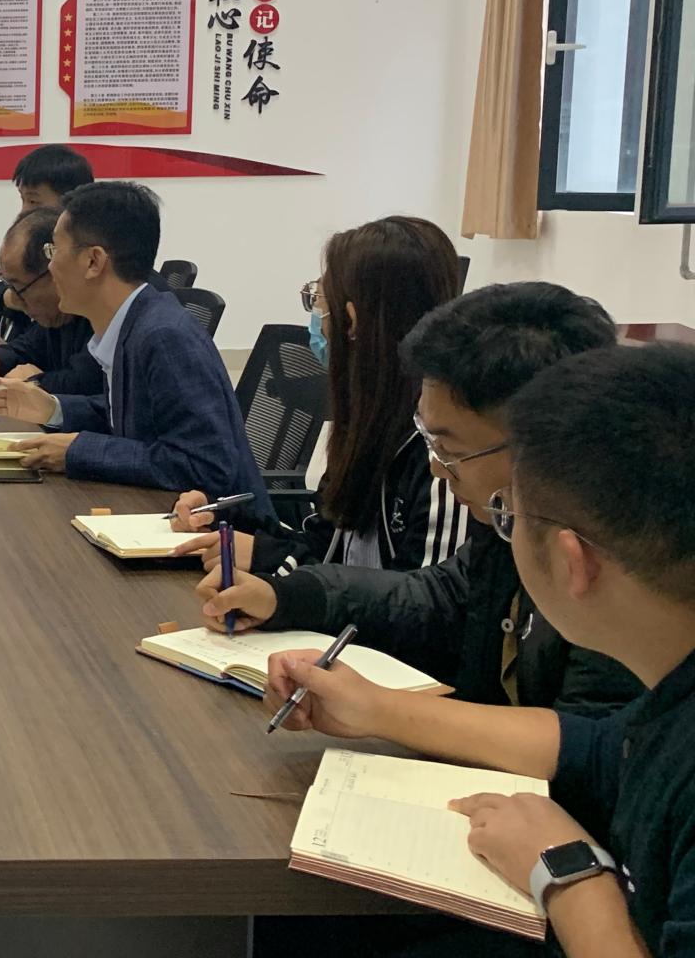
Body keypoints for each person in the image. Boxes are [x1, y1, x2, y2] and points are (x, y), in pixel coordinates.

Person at [262, 343, 695, 958]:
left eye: (509, 516)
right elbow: (601, 747)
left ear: (573, 563)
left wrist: (570, 875)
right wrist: (376, 709)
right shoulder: (671, 693)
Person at [197, 282, 639, 716]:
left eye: (449, 449)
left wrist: (381, 710)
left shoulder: (619, 558)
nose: (437, 467)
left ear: (536, 442)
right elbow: (437, 597)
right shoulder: (505, 517)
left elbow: (588, 743)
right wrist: (285, 597)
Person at [172, 216, 469, 577]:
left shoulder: (442, 447)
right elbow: (327, 546)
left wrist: (272, 560)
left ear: (351, 319)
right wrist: (226, 518)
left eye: (318, 301)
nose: (317, 319)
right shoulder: (370, 417)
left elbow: (422, 600)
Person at [0, 184, 270, 508]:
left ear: (93, 261)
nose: (50, 267)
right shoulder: (132, 321)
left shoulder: (163, 337)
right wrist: (52, 408)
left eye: (54, 251)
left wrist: (78, 450)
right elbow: (126, 418)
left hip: (219, 530)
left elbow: (204, 465)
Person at [0, 146, 107, 397]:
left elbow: (91, 384)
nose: (24, 212)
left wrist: (35, 382)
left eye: (34, 201)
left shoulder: (104, 289)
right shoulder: (63, 298)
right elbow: (37, 342)